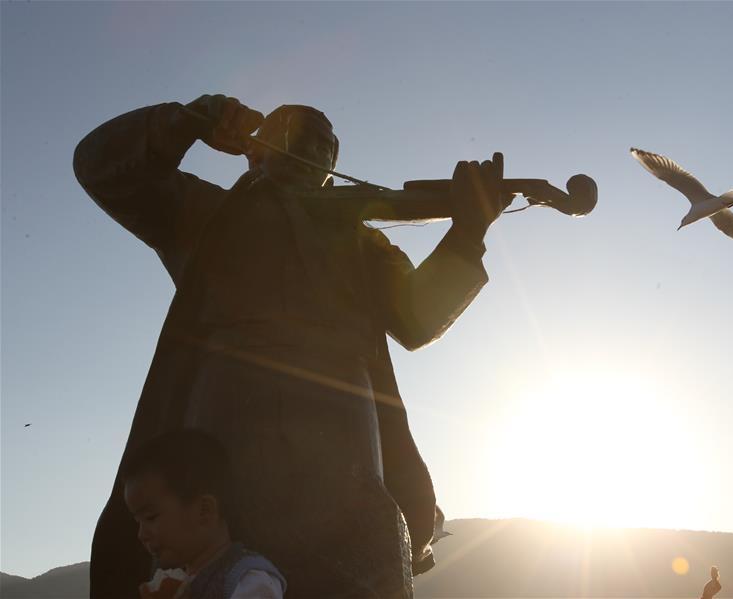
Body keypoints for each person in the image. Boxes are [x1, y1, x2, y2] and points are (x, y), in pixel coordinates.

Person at [74, 94, 512, 598]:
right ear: (254, 149)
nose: (310, 151)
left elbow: (418, 318)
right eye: (292, 137)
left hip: (344, 410)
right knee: (223, 544)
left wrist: (468, 232)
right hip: (226, 402)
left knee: (357, 560)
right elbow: (102, 168)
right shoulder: (207, 213)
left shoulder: (362, 244)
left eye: (323, 146)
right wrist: (185, 121)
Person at [123, 429, 286, 599]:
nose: (141, 535)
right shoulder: (180, 582)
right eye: (138, 522)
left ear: (204, 510)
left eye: (151, 517)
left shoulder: (249, 580)